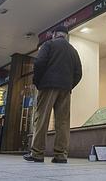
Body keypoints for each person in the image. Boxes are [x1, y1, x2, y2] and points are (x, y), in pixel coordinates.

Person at [23, 25, 82, 164]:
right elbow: (79, 73)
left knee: (42, 119)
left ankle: (37, 153)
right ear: (66, 36)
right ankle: (61, 155)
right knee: (63, 122)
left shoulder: (48, 44)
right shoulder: (73, 51)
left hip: (47, 86)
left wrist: (38, 82)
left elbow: (39, 63)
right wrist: (69, 85)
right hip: (65, 89)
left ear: (54, 34)